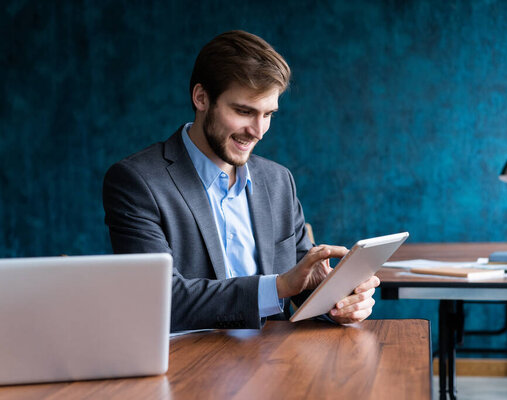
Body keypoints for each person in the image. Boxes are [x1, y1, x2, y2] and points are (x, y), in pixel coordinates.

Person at [102, 30, 379, 331]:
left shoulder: (278, 181)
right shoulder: (138, 182)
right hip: (190, 368)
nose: (258, 131)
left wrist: (339, 301)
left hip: (277, 364)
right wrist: (279, 286)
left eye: (268, 114)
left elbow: (302, 281)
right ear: (201, 98)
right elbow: (160, 300)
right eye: (244, 111)